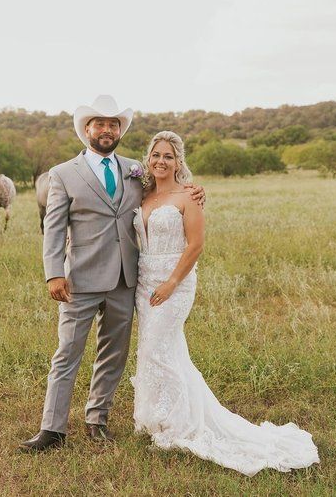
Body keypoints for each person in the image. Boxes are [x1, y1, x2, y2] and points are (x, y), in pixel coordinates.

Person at [20, 96, 204, 451]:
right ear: (86, 129)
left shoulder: (137, 170)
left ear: (120, 130)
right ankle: (53, 429)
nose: (107, 130)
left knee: (114, 354)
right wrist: (53, 274)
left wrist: (196, 190)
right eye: (99, 124)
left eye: (113, 124)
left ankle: (97, 419)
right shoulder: (63, 174)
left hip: (126, 280)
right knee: (67, 352)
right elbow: (54, 229)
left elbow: (168, 195)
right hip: (80, 281)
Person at [131, 131, 320, 475]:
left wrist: (172, 283)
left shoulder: (188, 197)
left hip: (173, 282)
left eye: (168, 156)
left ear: (179, 162)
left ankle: (178, 424)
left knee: (160, 348)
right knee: (156, 349)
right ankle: (158, 416)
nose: (161, 161)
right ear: (149, 158)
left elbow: (195, 246)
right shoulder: (141, 194)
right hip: (144, 282)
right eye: (156, 155)